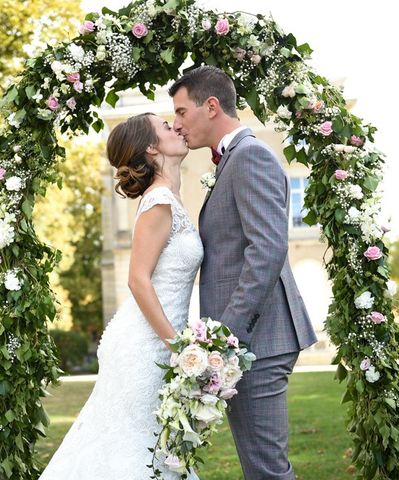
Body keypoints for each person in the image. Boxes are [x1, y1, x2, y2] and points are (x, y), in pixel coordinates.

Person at [169, 65, 318, 480]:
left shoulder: (250, 155)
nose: (177, 124)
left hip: (259, 339)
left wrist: (226, 338)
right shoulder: (232, 159)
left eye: (182, 112)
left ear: (211, 106)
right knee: (260, 467)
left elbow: (267, 250)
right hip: (251, 341)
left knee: (266, 470)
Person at [39, 113, 201, 480]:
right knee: (137, 450)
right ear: (151, 147)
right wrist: (179, 347)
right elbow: (138, 281)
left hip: (158, 342)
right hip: (146, 346)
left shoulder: (169, 198)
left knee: (149, 448)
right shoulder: (160, 201)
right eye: (165, 126)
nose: (175, 127)